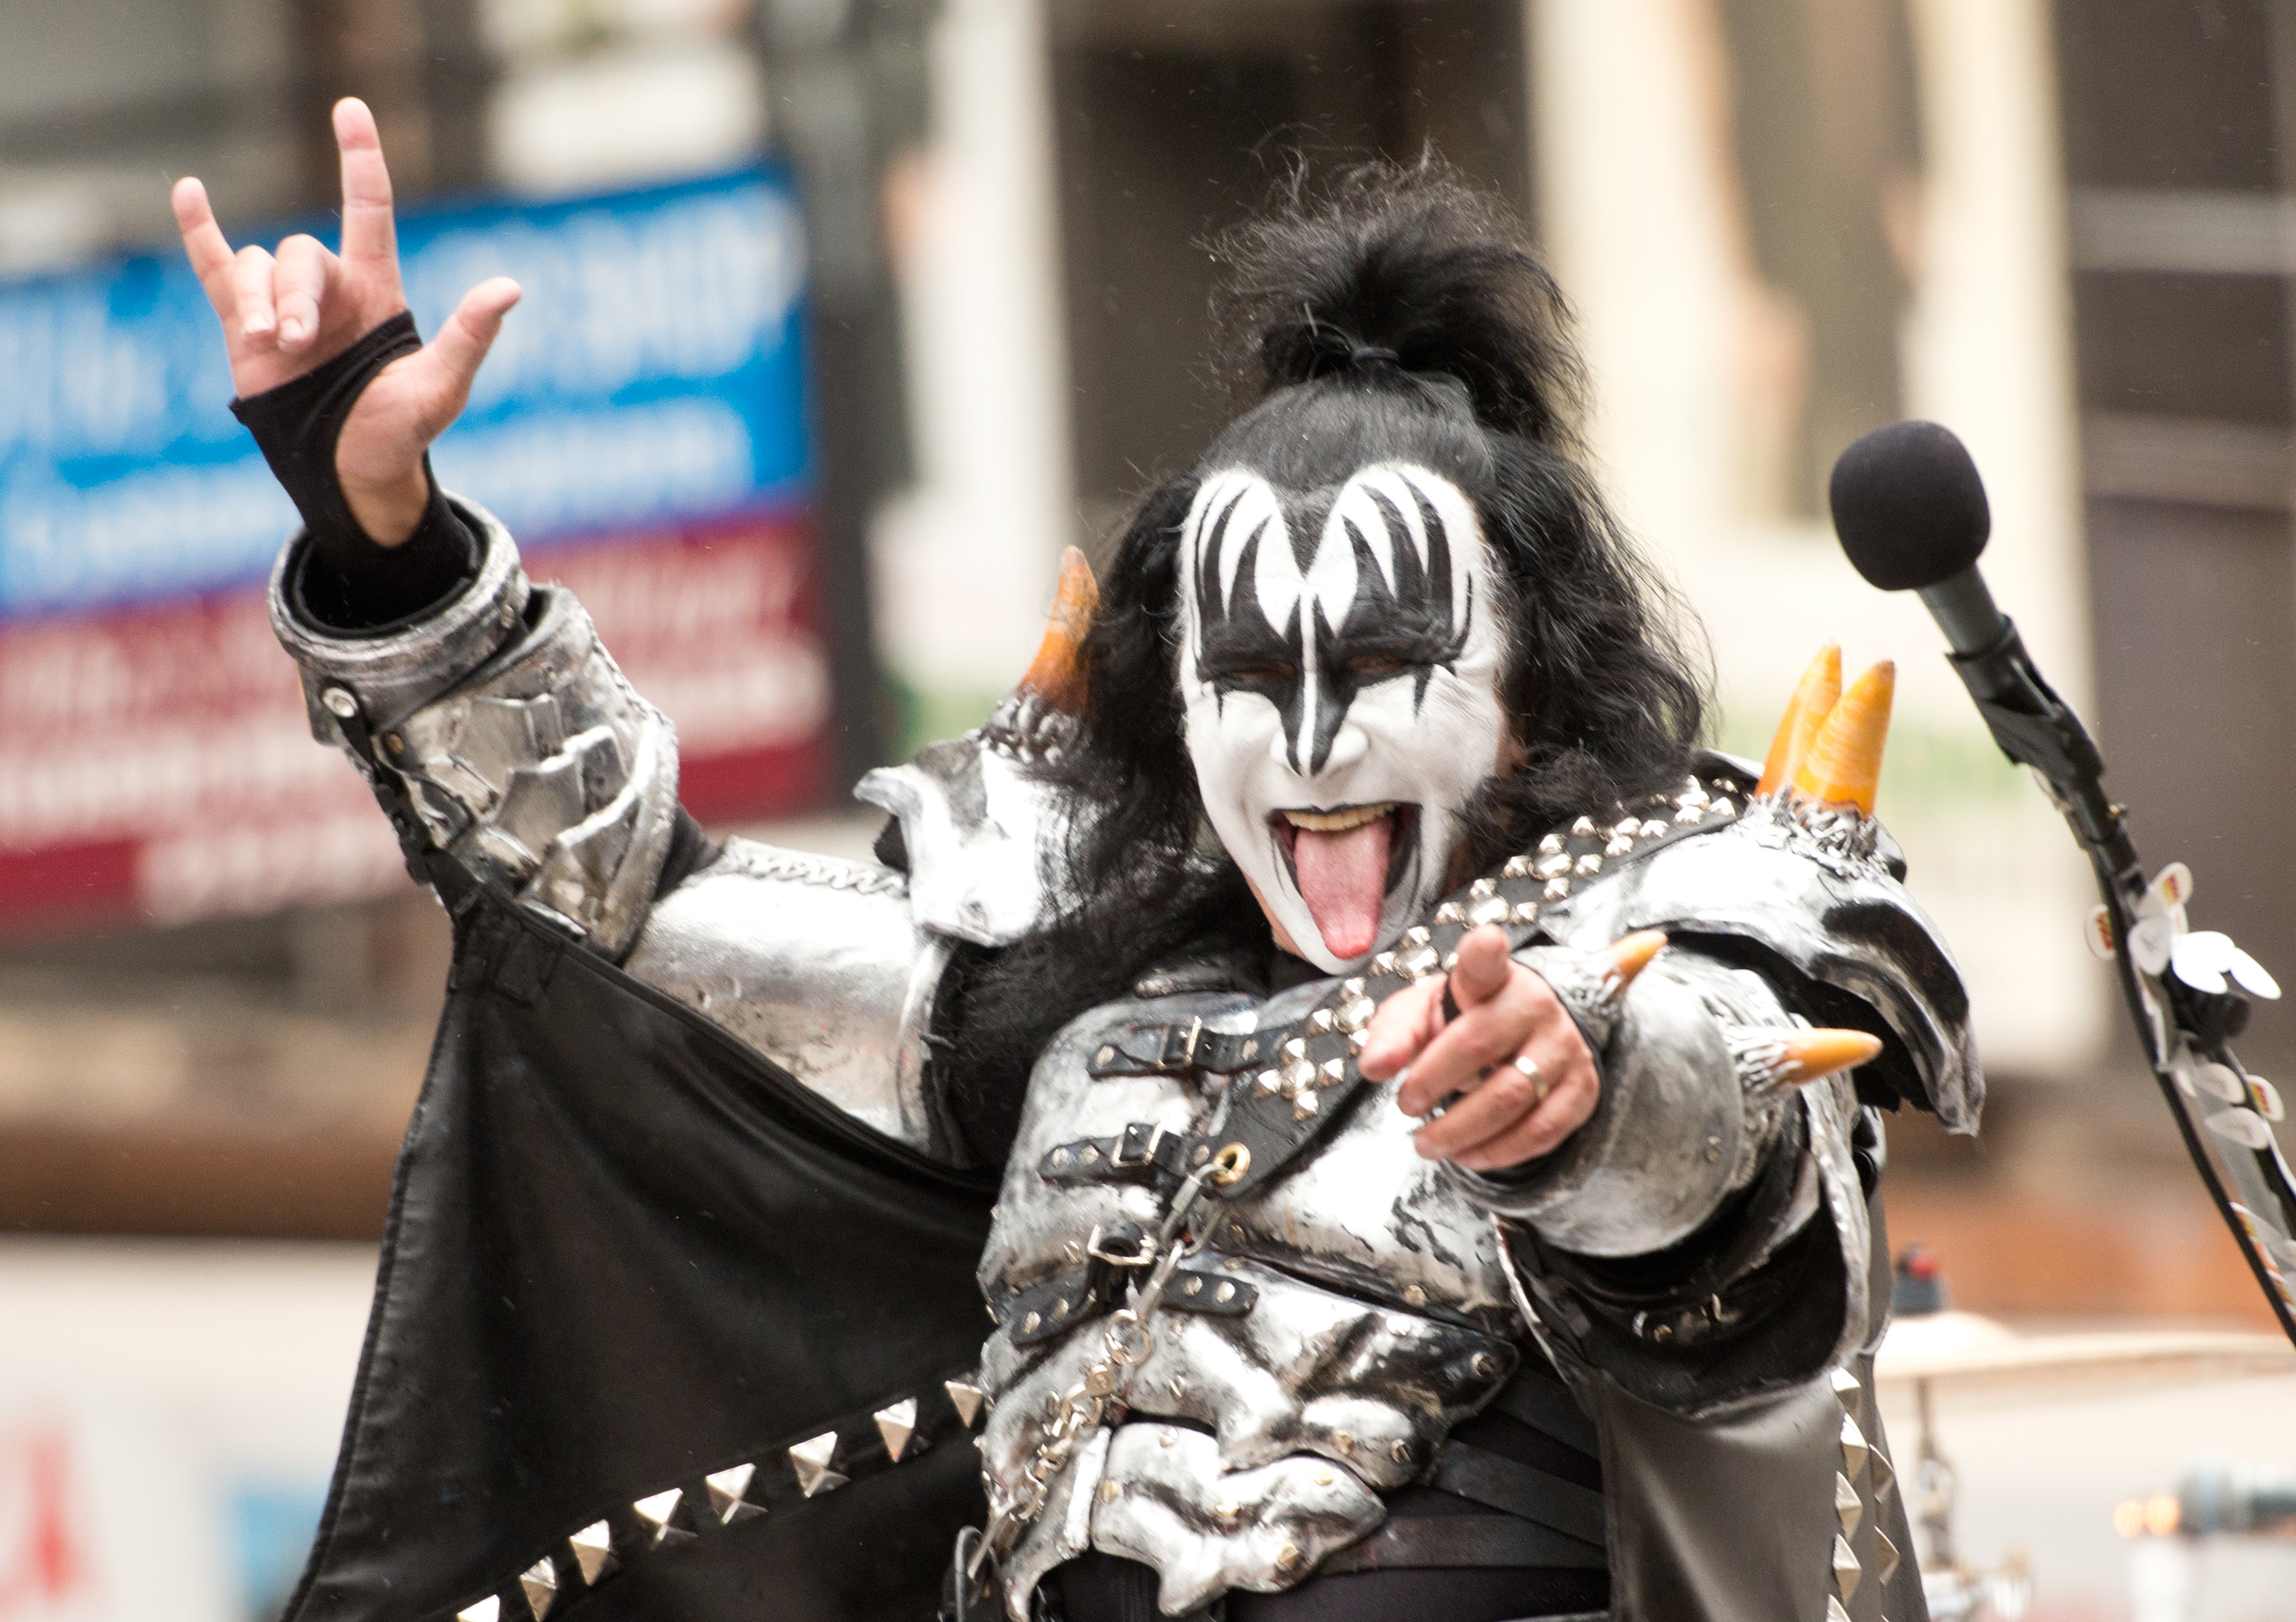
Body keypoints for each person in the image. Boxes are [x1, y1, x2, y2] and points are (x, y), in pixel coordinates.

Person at [177, 98, 1975, 1622]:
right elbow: (622, 906)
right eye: (1253, 677)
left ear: (1529, 689)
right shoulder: (1076, 986)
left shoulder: (1669, 913)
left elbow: (1735, 1139)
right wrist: (388, 541)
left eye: (1383, 664)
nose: (1320, 738)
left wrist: (1579, 1094)